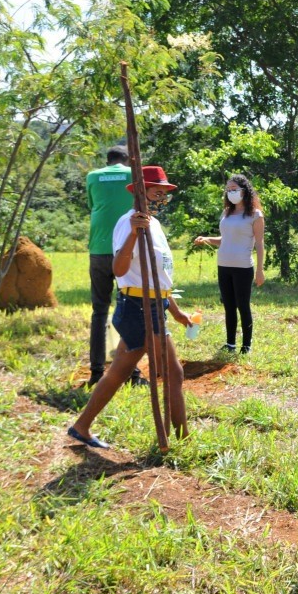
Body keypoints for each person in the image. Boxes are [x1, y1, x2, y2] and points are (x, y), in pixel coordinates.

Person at [66, 166, 193, 449]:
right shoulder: (128, 223)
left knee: (120, 372)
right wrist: (135, 234)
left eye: (164, 194)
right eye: (156, 192)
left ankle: (81, 426)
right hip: (139, 307)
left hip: (151, 304)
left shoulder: (155, 225)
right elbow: (119, 268)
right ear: (139, 191)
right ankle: (183, 439)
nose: (161, 198)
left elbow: (156, 277)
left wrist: (174, 310)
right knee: (173, 373)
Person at [85, 145, 146, 387]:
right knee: (132, 309)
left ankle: (97, 372)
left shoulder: (92, 176)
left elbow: (93, 205)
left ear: (107, 160)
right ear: (128, 159)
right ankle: (133, 374)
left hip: (99, 249)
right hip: (127, 249)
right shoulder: (135, 174)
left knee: (99, 311)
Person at [193, 174, 266, 354]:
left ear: (244, 191)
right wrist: (207, 239)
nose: (231, 193)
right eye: (228, 190)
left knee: (243, 305)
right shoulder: (226, 213)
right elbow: (226, 239)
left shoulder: (255, 215)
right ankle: (230, 344)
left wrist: (260, 270)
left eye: (234, 189)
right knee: (228, 305)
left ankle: (246, 345)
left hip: (243, 267)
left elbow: (259, 243)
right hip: (223, 265)